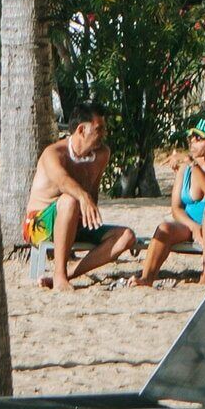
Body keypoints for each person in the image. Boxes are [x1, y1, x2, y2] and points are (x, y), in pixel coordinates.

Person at [22, 114, 139, 289]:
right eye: (99, 129)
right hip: (39, 225)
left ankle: (66, 275)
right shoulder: (54, 153)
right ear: (81, 130)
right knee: (70, 200)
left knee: (126, 237)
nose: (104, 134)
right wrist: (83, 197)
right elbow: (63, 181)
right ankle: (60, 274)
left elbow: (94, 191)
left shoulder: (102, 154)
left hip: (76, 222)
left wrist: (89, 213)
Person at [138, 117, 205, 287]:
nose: (192, 141)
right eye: (191, 136)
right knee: (164, 228)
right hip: (192, 224)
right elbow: (176, 208)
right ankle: (146, 277)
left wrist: (193, 165)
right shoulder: (185, 168)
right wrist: (194, 227)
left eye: (199, 138)